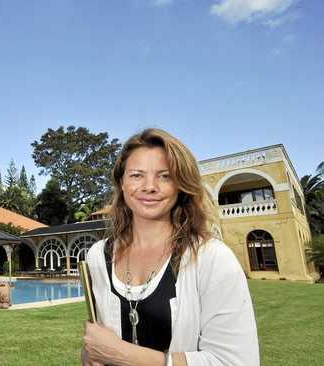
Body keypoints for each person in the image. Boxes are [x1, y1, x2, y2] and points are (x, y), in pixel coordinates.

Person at [82, 128, 259, 366]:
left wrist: (124, 356)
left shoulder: (212, 258)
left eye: (164, 176)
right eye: (136, 175)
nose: (149, 186)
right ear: (121, 183)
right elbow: (100, 348)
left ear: (180, 186)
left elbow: (236, 362)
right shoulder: (98, 257)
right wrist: (91, 354)